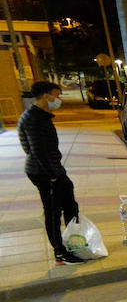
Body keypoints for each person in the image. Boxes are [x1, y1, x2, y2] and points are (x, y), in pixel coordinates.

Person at [18, 81, 85, 265]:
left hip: (54, 169)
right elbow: (35, 150)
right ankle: (60, 252)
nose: (58, 99)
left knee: (71, 205)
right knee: (53, 212)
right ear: (46, 96)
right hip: (44, 173)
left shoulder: (42, 116)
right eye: (56, 95)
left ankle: (73, 241)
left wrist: (57, 171)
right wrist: (52, 175)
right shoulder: (32, 119)